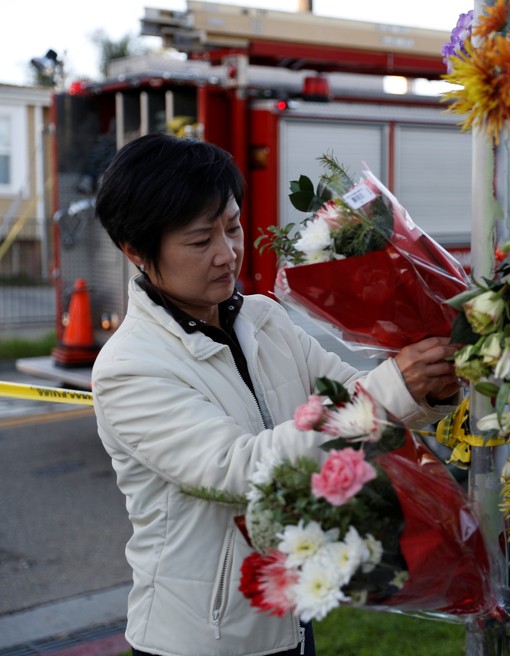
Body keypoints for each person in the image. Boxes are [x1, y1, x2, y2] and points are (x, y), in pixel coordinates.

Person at [91, 132, 460, 656]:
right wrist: (393, 389)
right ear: (136, 252)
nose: (227, 254)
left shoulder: (263, 318)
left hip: (286, 613)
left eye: (234, 227)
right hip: (201, 637)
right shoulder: (130, 367)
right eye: (200, 241)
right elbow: (241, 468)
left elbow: (348, 390)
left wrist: (428, 381)